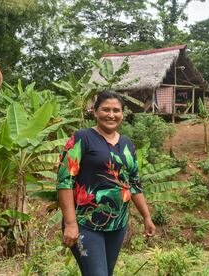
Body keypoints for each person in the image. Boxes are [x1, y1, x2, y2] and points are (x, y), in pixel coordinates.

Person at [56, 91, 155, 276]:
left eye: (116, 110)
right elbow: (64, 182)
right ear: (94, 112)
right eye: (105, 109)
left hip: (117, 224)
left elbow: (134, 184)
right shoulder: (81, 138)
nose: (111, 114)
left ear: (122, 114)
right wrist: (70, 223)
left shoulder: (127, 144)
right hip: (85, 222)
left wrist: (146, 217)